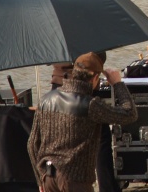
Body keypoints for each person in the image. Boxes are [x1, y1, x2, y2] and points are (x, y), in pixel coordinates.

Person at [28, 52, 137, 192]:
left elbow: (32, 144)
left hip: (49, 176)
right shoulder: (92, 105)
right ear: (96, 78)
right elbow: (130, 114)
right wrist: (117, 84)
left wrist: (40, 179)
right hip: (75, 180)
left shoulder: (45, 99)